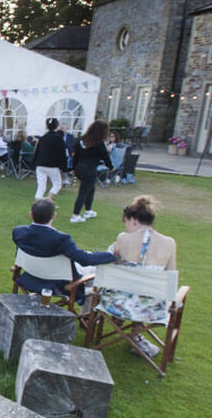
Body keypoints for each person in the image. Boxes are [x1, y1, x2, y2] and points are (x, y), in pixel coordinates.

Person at [99, 196, 178, 344]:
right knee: (143, 292)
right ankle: (135, 335)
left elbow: (112, 267)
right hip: (152, 309)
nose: (126, 227)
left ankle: (119, 325)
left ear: (134, 220)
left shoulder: (123, 239)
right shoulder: (169, 243)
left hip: (118, 304)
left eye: (126, 222)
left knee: (128, 289)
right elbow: (170, 273)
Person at [12, 198, 115, 296]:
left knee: (84, 259)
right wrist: (111, 255)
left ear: (31, 214)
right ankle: (87, 312)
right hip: (57, 284)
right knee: (94, 269)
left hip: (31, 276)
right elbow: (85, 260)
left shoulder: (19, 232)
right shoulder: (60, 239)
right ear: (53, 216)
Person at [70, 121, 113, 223]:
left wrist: (74, 168)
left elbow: (76, 156)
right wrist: (111, 167)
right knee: (83, 192)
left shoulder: (81, 140)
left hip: (79, 168)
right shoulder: (99, 143)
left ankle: (88, 211)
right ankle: (75, 216)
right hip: (89, 169)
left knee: (91, 188)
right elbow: (105, 157)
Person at [33, 118, 69, 199]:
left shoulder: (43, 138)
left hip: (40, 165)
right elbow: (62, 154)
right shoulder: (59, 138)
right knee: (57, 184)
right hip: (52, 166)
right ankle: (48, 200)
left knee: (41, 186)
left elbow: (37, 152)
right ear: (57, 126)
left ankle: (37, 205)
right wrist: (64, 168)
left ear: (46, 126)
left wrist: (34, 163)